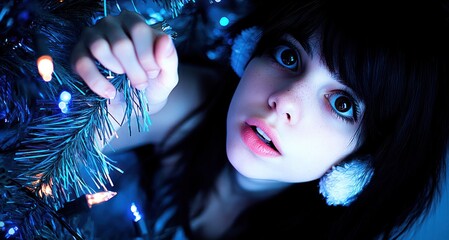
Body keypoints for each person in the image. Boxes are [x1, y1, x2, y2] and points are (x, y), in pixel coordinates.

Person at [70, 0, 449, 239]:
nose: (283, 100)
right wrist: (121, 93)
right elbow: (52, 146)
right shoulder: (194, 102)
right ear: (248, 52)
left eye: (342, 104)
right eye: (288, 56)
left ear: (366, 163)